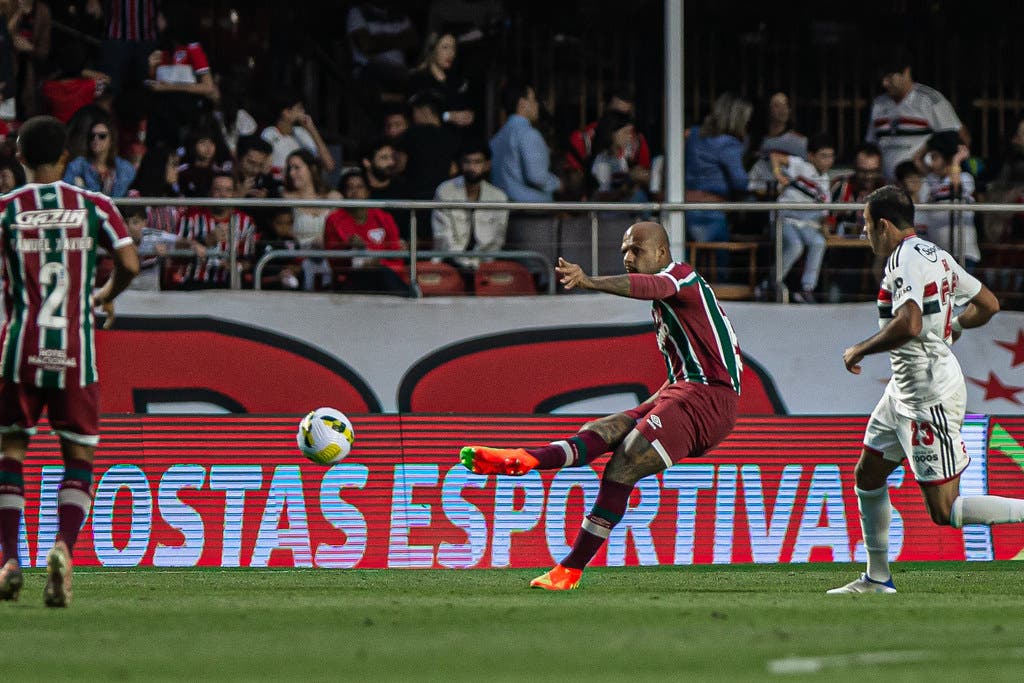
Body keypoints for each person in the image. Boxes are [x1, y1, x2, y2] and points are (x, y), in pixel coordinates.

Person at [459, 221, 742, 590]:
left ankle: (570, 569)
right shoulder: (666, 305)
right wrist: (644, 410)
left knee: (624, 463)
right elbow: (683, 371)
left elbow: (652, 286)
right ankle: (526, 459)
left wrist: (589, 281)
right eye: (624, 249)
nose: (627, 257)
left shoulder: (680, 277)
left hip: (709, 401)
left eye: (636, 250)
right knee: (602, 428)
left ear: (660, 252)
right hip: (683, 391)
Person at [827, 185, 1016, 595]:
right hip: (904, 388)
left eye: (865, 226)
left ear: (883, 224)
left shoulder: (903, 261)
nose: (865, 235)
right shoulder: (938, 255)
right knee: (868, 475)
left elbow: (910, 323)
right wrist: (956, 327)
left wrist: (861, 348)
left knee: (944, 511)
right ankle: (877, 578)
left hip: (927, 393)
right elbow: (988, 304)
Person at [0, 115, 139, 606]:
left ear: (19, 157)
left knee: (11, 451)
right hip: (77, 350)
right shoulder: (95, 205)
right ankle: (63, 548)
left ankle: (8, 559)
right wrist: (102, 296)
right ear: (66, 158)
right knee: (78, 457)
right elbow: (129, 264)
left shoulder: (6, 210)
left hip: (20, 345)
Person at [866, 49, 967, 182]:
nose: (884, 83)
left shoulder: (931, 100)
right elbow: (871, 145)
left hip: (923, 185)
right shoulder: (878, 104)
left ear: (906, 72)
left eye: (889, 77)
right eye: (882, 79)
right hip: (887, 184)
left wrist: (923, 160)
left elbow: (957, 139)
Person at [771, 133, 836, 303]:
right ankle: (771, 283)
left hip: (807, 223)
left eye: (831, 156)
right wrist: (779, 175)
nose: (828, 161)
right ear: (811, 156)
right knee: (795, 246)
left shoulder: (826, 181)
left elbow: (824, 211)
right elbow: (775, 157)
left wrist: (826, 226)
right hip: (785, 219)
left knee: (818, 242)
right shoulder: (801, 166)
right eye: (823, 156)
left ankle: (806, 289)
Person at [324, 168, 408, 294]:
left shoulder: (384, 217)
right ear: (344, 193)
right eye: (350, 187)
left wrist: (377, 262)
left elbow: (396, 256)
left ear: (368, 192)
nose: (355, 192)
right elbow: (334, 261)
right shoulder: (334, 220)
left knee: (381, 272)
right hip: (352, 278)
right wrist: (348, 248)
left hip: (384, 275)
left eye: (359, 187)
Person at [432, 139, 509, 270]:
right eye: (467, 162)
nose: (472, 167)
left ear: (487, 165)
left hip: (486, 263)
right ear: (461, 164)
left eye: (477, 162)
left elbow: (497, 240)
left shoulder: (499, 197)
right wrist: (465, 263)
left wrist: (477, 263)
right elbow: (443, 237)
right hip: (449, 261)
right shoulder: (445, 191)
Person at [913, 131, 981, 269]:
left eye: (934, 157)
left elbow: (955, 189)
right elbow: (916, 159)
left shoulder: (965, 177)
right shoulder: (933, 179)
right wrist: (933, 142)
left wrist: (956, 159)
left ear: (947, 157)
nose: (931, 162)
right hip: (939, 253)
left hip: (962, 252)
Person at [261, 92, 336, 180]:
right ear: (286, 112)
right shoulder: (269, 133)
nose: (304, 112)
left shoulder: (302, 133)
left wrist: (312, 129)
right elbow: (263, 169)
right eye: (300, 108)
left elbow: (329, 166)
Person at [407, 31, 474, 129]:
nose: (451, 53)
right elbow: (418, 115)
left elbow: (465, 106)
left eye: (453, 48)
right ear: (432, 49)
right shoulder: (419, 78)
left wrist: (469, 116)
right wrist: (449, 116)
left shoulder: (457, 81)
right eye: (445, 47)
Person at [63, 115, 135, 197]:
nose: (96, 139)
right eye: (92, 136)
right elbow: (66, 189)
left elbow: (119, 196)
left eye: (102, 136)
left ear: (111, 140)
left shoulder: (124, 167)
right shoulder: (78, 164)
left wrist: (82, 187)